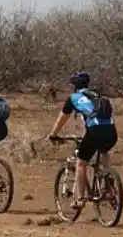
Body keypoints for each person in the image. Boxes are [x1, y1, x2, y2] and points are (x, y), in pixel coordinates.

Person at [47, 71, 117, 210]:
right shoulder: (99, 96)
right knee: (103, 152)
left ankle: (80, 199)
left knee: (81, 163)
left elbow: (62, 119)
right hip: (111, 132)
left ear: (74, 86)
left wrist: (53, 134)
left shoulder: (74, 98)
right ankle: (109, 186)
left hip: (94, 132)